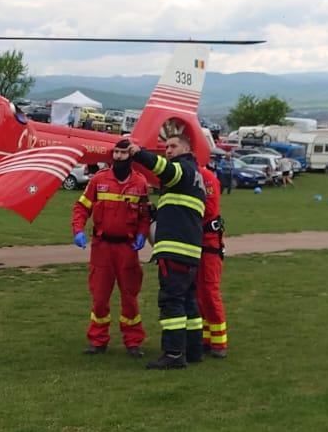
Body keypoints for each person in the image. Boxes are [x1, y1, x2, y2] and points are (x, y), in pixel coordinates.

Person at [124, 131, 206, 370]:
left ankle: (173, 354)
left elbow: (167, 170)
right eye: (166, 147)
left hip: (175, 249)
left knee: (171, 301)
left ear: (186, 149)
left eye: (172, 146)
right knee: (189, 301)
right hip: (190, 249)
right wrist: (156, 214)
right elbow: (181, 212)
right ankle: (193, 350)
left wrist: (140, 154)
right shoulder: (195, 177)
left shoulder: (184, 169)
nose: (168, 151)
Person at [71, 145, 151, 357]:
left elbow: (144, 215)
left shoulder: (140, 183)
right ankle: (98, 340)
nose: (118, 156)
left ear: (130, 156)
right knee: (99, 297)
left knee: (130, 297)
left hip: (127, 248)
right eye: (115, 152)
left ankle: (133, 341)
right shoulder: (99, 180)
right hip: (102, 247)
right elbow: (81, 207)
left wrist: (143, 234)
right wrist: (78, 230)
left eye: (123, 153)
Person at [196, 159, 229, 359]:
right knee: (198, 294)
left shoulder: (206, 177)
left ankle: (219, 342)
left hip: (208, 242)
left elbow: (208, 210)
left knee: (209, 291)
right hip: (195, 241)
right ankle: (206, 338)